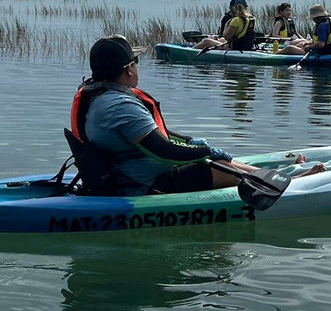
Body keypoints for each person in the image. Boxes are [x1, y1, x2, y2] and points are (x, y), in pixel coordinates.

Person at [71, 34, 261, 195]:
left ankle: (265, 173)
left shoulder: (99, 97)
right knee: (215, 165)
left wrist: (189, 141)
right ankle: (281, 184)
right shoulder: (120, 106)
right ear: (129, 69)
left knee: (219, 160)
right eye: (136, 62)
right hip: (147, 185)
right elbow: (165, 152)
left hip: (126, 177)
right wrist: (206, 152)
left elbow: (152, 135)